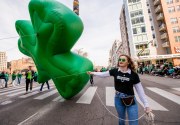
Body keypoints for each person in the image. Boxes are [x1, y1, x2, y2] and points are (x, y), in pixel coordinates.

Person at [87, 54, 151, 125]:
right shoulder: (115, 71)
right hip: (118, 99)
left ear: (128, 62)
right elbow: (103, 74)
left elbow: (140, 90)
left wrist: (146, 105)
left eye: (123, 60)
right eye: (119, 59)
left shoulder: (133, 75)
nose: (120, 61)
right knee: (121, 120)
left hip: (131, 100)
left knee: (133, 122)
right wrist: (92, 73)